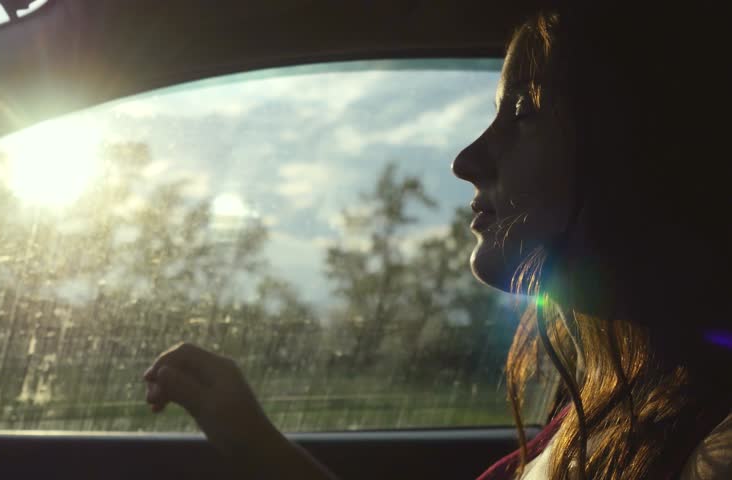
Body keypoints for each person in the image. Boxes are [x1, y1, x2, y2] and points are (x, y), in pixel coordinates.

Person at [142, 3, 731, 479]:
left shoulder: (712, 452)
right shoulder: (613, 400)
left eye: (523, 109)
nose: (466, 159)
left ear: (643, 143)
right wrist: (253, 440)